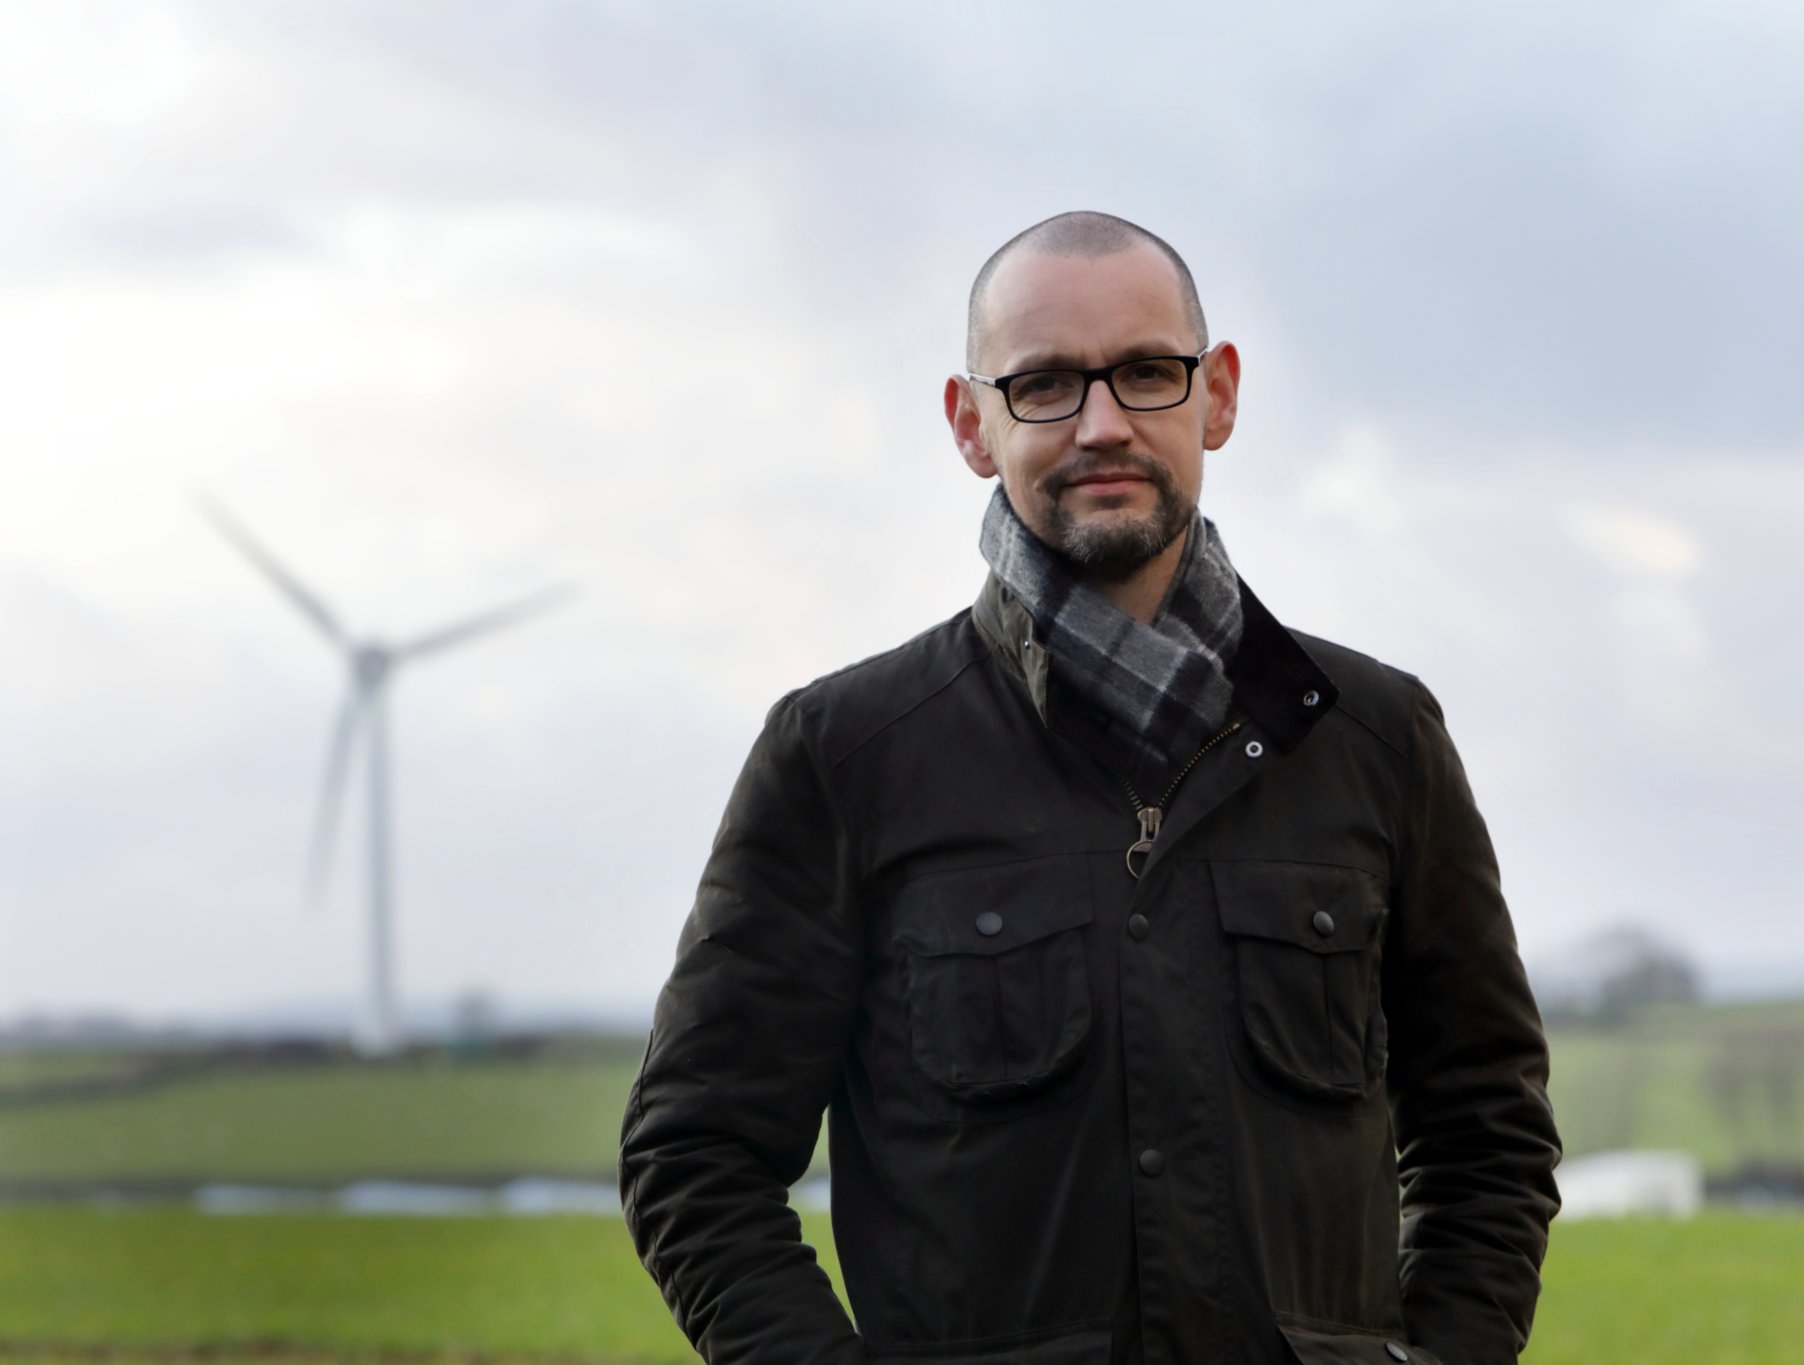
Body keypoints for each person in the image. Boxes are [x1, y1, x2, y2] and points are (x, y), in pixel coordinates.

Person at [620, 211, 1561, 1365]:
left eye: (1146, 373)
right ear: (970, 424)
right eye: (1044, 385)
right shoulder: (843, 755)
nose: (1101, 423)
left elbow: (1486, 1137)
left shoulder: (1374, 738)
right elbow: (693, 1155)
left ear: (1217, 396)